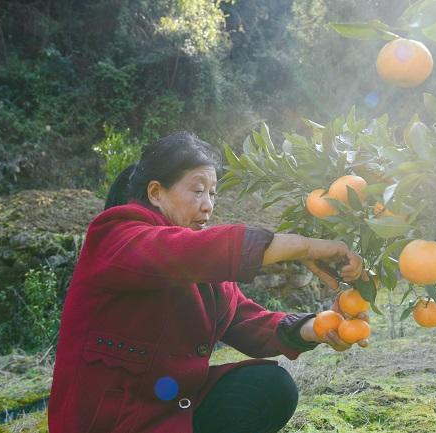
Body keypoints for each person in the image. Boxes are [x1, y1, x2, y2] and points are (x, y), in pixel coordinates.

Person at [47, 131, 370, 433]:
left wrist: (318, 326)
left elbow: (245, 319)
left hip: (168, 411)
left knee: (268, 386)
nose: (208, 205)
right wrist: (305, 246)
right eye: (197, 190)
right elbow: (188, 253)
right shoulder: (117, 235)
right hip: (111, 419)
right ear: (156, 193)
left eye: (213, 193)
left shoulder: (199, 259)